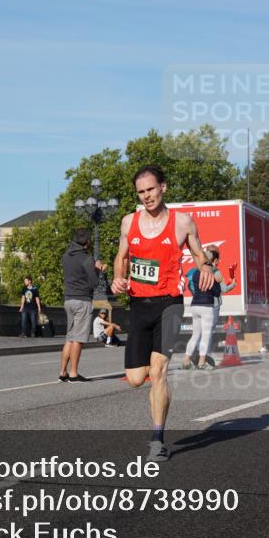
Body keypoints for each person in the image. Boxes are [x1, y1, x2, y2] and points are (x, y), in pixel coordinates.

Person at [112, 165, 214, 462]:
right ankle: (156, 421)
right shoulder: (128, 222)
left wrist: (205, 267)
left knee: (158, 373)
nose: (147, 196)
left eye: (151, 189)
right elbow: (122, 257)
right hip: (138, 305)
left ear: (163, 188)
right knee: (134, 378)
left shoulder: (183, 222)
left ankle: (158, 438)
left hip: (170, 303)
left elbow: (198, 253)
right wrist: (119, 278)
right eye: (141, 192)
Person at [59, 228, 106, 383]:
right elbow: (94, 283)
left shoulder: (66, 256)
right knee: (78, 339)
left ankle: (63, 372)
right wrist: (98, 270)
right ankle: (73, 374)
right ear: (87, 242)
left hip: (68, 300)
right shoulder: (87, 259)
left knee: (70, 338)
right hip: (82, 300)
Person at [183, 246, 237, 370]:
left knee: (196, 334)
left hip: (195, 304)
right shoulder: (214, 271)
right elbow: (220, 290)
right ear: (215, 259)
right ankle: (202, 360)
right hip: (210, 306)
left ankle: (187, 360)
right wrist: (232, 283)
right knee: (207, 334)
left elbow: (191, 287)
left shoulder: (196, 271)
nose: (219, 261)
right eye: (218, 258)